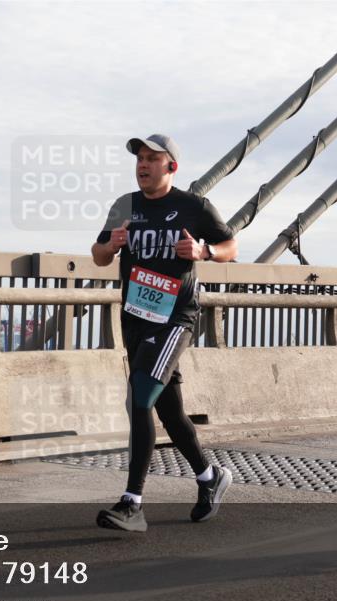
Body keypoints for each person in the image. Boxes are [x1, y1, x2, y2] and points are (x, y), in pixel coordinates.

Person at [90, 134, 238, 532]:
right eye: (140, 157)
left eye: (153, 158)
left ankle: (132, 504)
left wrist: (204, 253)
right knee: (168, 409)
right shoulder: (126, 206)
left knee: (139, 397)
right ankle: (210, 478)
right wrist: (112, 245)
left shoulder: (193, 207)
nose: (143, 164)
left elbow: (230, 246)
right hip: (135, 317)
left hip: (174, 318)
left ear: (171, 166)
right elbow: (98, 254)